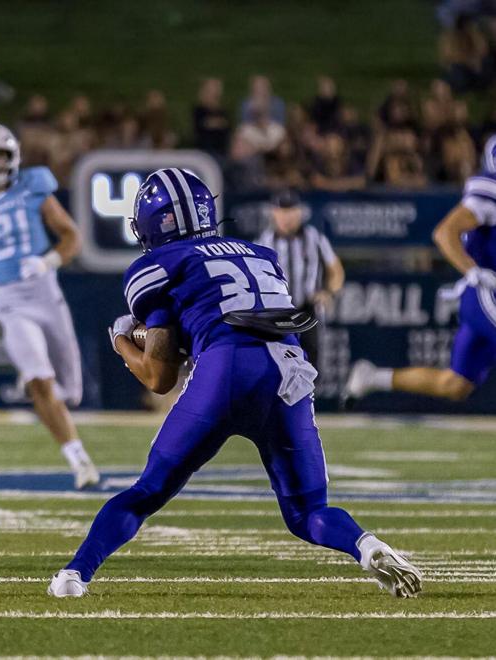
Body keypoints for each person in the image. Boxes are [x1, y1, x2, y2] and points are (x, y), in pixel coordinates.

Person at [48, 168, 421, 599]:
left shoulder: (155, 266)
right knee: (307, 512)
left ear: (154, 221)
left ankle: (75, 576)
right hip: (290, 369)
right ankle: (366, 545)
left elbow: (160, 376)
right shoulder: (261, 253)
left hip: (228, 368)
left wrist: (121, 339)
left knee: (146, 492)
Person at [0, 123, 100, 490]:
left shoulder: (34, 186)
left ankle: (39, 379)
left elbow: (71, 236)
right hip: (8, 301)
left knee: (70, 392)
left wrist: (47, 262)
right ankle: (79, 459)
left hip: (45, 293)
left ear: (12, 158)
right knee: (41, 382)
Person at [343, 136, 496, 405]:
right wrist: (473, 273)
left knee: (454, 384)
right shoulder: (490, 189)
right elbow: (444, 233)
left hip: (482, 298)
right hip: (486, 292)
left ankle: (373, 377)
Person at [256, 189, 345, 370]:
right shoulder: (263, 243)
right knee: (276, 364)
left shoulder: (315, 239)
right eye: (283, 211)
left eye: (291, 211)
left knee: (311, 365)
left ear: (300, 212)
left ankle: (310, 398)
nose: (287, 217)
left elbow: (336, 270)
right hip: (275, 311)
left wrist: (328, 292)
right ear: (274, 212)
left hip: (307, 309)